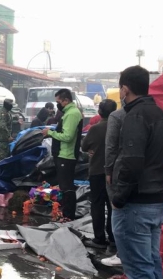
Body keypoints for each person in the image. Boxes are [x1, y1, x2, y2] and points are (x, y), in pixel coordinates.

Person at [109, 66, 163, 279]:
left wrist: (118, 198)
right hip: (157, 200)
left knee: (138, 269)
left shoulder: (135, 116)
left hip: (135, 204)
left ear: (125, 89)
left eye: (120, 88)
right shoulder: (162, 115)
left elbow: (132, 162)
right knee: (151, 263)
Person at [81, 99, 117, 250]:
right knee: (113, 206)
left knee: (97, 205)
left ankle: (99, 239)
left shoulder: (95, 128)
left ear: (100, 112)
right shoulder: (119, 127)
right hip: (114, 172)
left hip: (97, 170)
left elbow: (84, 146)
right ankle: (114, 238)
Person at [42, 89, 83, 221]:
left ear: (66, 100)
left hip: (67, 155)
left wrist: (50, 133)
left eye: (58, 101)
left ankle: (68, 215)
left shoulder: (72, 114)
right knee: (64, 186)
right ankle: (66, 214)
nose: (57, 104)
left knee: (67, 187)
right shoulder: (68, 112)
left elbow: (68, 136)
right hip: (63, 154)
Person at [100, 105, 127, 267]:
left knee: (117, 209)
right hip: (153, 183)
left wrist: (109, 170)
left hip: (120, 173)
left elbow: (110, 147)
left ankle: (120, 252)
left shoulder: (117, 117)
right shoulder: (159, 114)